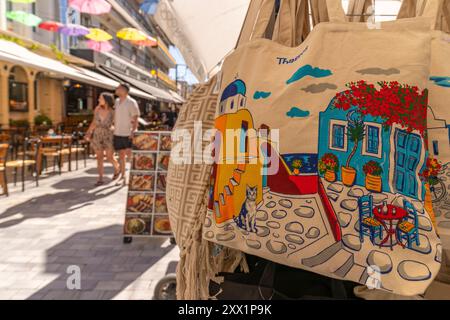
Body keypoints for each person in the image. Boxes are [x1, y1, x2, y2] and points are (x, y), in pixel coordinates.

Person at [86, 92, 120, 186]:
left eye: (100, 98)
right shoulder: (97, 109)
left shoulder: (113, 111)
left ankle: (117, 168)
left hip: (109, 135)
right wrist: (88, 132)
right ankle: (100, 178)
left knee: (109, 157)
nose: (98, 100)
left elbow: (116, 123)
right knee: (99, 157)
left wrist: (116, 130)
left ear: (106, 100)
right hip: (97, 135)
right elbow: (94, 122)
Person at [113, 83, 140, 186]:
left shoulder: (131, 102)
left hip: (128, 132)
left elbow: (136, 117)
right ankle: (123, 176)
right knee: (121, 156)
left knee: (130, 156)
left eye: (118, 88)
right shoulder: (117, 101)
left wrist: (133, 132)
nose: (116, 89)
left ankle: (134, 177)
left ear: (124, 90)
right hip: (118, 132)